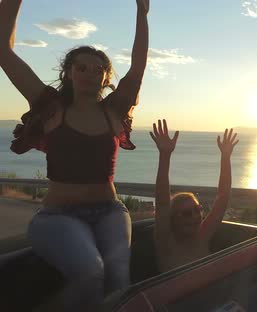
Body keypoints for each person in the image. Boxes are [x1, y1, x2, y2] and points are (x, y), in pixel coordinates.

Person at [0, 0, 149, 310]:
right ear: (68, 72)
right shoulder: (52, 107)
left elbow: (137, 67)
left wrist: (142, 13)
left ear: (106, 77)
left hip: (110, 211)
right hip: (57, 217)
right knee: (90, 272)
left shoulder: (114, 110)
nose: (90, 73)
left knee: (120, 280)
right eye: (81, 67)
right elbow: (4, 52)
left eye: (98, 69)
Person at [150, 119, 239, 273]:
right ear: (173, 218)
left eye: (197, 210)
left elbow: (223, 197)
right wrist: (165, 155)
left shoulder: (202, 236)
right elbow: (162, 202)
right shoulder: (166, 242)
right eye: (186, 214)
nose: (194, 217)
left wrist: (225, 157)